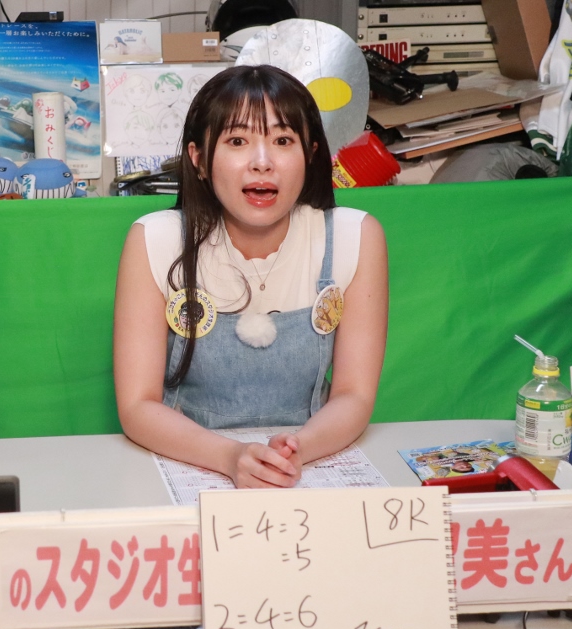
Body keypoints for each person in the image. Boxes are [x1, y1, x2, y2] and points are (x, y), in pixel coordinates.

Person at [113, 65, 388, 488]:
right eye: (238, 141)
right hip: (191, 463)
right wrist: (230, 457)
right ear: (198, 159)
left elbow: (354, 394)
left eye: (283, 141)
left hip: (309, 464)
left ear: (310, 153)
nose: (262, 163)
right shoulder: (156, 239)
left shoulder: (355, 236)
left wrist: (293, 452)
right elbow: (138, 406)